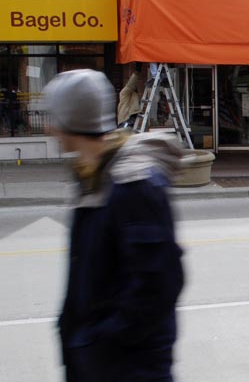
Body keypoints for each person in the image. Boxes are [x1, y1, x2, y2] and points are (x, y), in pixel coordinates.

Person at [43, 69, 186, 382]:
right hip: (98, 364)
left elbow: (159, 285)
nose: (49, 127)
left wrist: (100, 343)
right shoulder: (91, 176)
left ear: (73, 120)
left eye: (55, 118)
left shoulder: (133, 184)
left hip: (130, 370)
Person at [117, 62, 143, 128]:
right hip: (126, 120)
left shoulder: (132, 95)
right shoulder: (124, 93)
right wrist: (137, 72)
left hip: (128, 120)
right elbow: (130, 84)